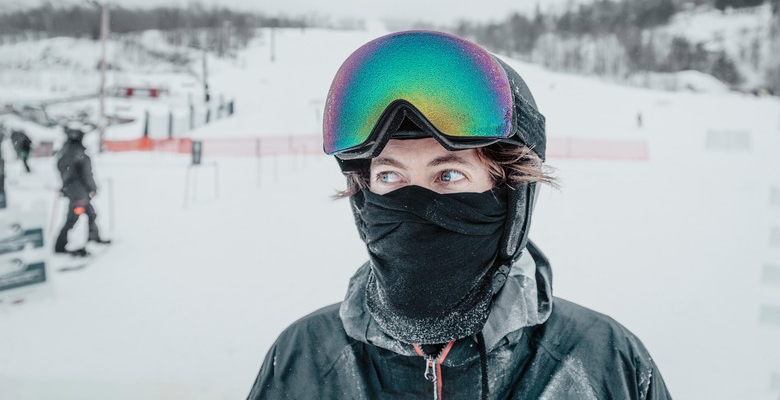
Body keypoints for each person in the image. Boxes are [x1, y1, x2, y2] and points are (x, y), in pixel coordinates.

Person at [248, 31, 671, 399]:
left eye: (449, 174)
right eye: (390, 175)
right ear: (364, 197)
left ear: (511, 197)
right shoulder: (302, 358)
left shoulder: (606, 364)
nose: (415, 200)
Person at [54, 124, 110, 255]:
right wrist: (92, 188)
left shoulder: (64, 153)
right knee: (72, 218)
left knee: (90, 213)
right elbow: (87, 174)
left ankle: (93, 236)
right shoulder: (79, 154)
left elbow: (62, 171)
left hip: (72, 190)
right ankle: (60, 246)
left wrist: (67, 185)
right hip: (79, 193)